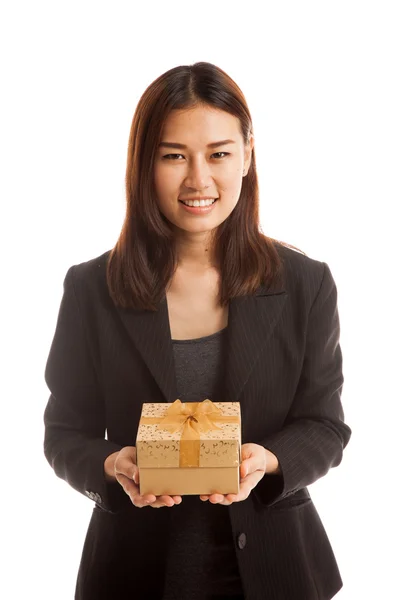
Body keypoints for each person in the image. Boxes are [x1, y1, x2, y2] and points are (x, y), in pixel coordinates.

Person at [43, 61, 352, 600]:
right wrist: (113, 466)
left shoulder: (306, 284)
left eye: (218, 154)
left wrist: (269, 459)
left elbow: (325, 425)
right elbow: (64, 432)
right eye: (173, 156)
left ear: (247, 157)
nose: (198, 180)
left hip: (278, 572)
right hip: (132, 573)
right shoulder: (92, 288)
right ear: (145, 164)